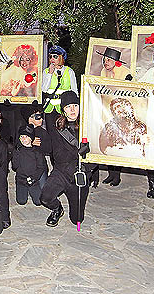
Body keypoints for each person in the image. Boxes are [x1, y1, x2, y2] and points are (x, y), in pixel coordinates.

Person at [41, 91, 94, 227]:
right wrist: (78, 152)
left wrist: (88, 158)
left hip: (79, 176)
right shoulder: (57, 127)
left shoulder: (88, 126)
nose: (72, 110)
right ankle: (57, 209)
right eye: (68, 106)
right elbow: (58, 156)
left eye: (75, 105)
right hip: (62, 172)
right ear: (63, 110)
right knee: (45, 198)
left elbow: (97, 157)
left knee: (77, 220)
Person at [12, 125, 48, 206]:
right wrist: (16, 154)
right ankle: (24, 192)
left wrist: (34, 178)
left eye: (26, 137)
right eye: (22, 137)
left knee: (38, 202)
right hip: (21, 180)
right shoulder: (18, 151)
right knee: (21, 201)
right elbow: (14, 167)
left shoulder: (37, 152)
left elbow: (41, 167)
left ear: (31, 138)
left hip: (33, 181)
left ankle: (32, 191)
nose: (23, 139)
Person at [41, 46, 77, 117]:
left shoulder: (69, 71)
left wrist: (75, 105)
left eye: (55, 56)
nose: (52, 59)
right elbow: (44, 89)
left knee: (63, 127)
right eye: (50, 57)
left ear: (61, 58)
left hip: (64, 106)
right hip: (49, 106)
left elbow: (74, 90)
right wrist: (50, 74)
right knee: (50, 127)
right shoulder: (46, 71)